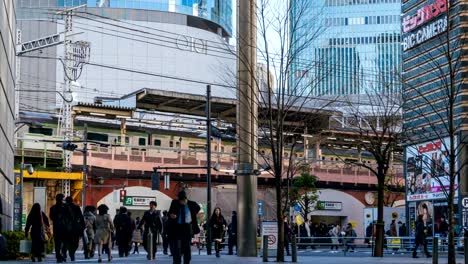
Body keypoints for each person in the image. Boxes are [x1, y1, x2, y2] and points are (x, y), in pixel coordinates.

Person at [167, 190, 201, 264]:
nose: (181, 203)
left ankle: (187, 261)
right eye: (179, 201)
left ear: (185, 199)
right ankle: (177, 262)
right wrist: (171, 215)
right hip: (177, 228)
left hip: (187, 228)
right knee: (177, 248)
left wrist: (193, 215)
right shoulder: (174, 202)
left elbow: (198, 208)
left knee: (187, 248)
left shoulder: (192, 204)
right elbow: (169, 213)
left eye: (182, 201)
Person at [49, 193, 71, 263]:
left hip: (56, 227)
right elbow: (70, 216)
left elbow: (51, 217)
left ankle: (58, 256)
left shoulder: (52, 208)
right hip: (65, 227)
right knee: (65, 242)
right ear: (62, 199)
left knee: (57, 243)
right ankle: (63, 254)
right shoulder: (66, 206)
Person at [63, 196, 85, 261]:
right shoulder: (77, 207)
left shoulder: (63, 207)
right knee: (76, 242)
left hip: (66, 228)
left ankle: (65, 251)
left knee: (66, 241)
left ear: (66, 201)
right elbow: (81, 217)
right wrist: (83, 226)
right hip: (75, 227)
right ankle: (72, 253)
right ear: (72, 200)